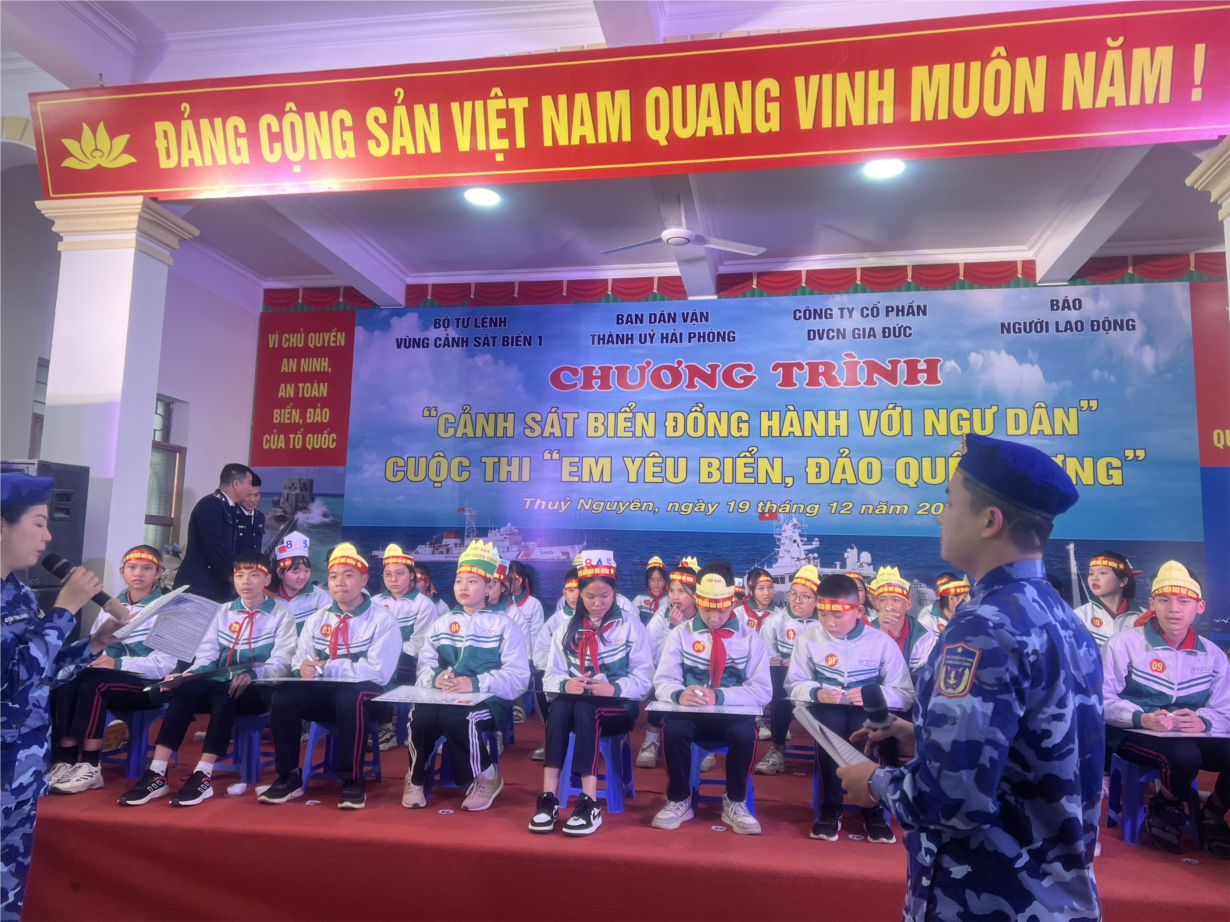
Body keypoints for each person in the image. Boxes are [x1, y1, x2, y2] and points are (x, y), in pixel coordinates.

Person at [838, 433, 1102, 922]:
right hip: (1055, 896)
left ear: (989, 521)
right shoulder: (1063, 618)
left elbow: (952, 798)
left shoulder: (983, 627)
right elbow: (1038, 746)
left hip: (989, 896)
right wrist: (920, 733)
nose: (940, 516)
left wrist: (873, 783)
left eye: (949, 502)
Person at [0, 472, 128, 922]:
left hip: (22, 766)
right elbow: (12, 679)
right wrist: (66, 608)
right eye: (38, 523)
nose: (48, 537)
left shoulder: (17, 591)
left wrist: (96, 643)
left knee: (8, 882)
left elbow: (43, 673)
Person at [118, 551, 296, 807]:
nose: (246, 581)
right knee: (185, 690)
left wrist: (251, 674)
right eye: (240, 575)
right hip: (220, 682)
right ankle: (157, 772)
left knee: (225, 695)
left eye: (254, 575)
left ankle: (203, 774)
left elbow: (283, 662)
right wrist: (188, 675)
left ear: (267, 579)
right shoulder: (222, 612)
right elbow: (207, 655)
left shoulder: (281, 615)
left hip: (259, 688)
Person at [1102, 561, 1230, 858]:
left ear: (1199, 606)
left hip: (1191, 735)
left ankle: (1214, 811)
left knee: (1195, 750)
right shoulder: (1123, 644)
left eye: (1184, 601)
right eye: (1164, 600)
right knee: (1185, 755)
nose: (1174, 608)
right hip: (1131, 731)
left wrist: (1203, 722)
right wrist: (1140, 718)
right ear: (1152, 604)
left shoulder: (1213, 655)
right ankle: (1166, 803)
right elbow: (1100, 700)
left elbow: (1224, 709)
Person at [259, 542, 400, 810]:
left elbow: (378, 672)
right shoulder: (318, 619)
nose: (339, 583)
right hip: (325, 694)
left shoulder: (382, 619)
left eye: (348, 575)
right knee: (284, 696)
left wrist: (328, 666)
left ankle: (352, 779)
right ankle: (288, 775)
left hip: (371, 696)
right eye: (333, 577)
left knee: (350, 698)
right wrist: (303, 668)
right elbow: (300, 656)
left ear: (364, 580)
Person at [530, 551, 653, 835]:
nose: (597, 603)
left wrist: (614, 688)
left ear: (615, 592)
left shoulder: (631, 626)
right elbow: (551, 675)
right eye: (590, 597)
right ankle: (548, 798)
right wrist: (565, 685)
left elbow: (645, 680)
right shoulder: (565, 627)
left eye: (604, 596)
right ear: (579, 595)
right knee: (560, 706)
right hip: (575, 706)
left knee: (587, 708)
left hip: (619, 707)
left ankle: (589, 801)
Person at [403, 540, 528, 812]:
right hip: (443, 697)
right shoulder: (442, 623)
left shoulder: (505, 625)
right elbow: (425, 664)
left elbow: (518, 677)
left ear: (489, 587)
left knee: (458, 717)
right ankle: (415, 777)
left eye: (472, 581)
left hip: (487, 701)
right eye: (459, 581)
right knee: (420, 716)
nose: (463, 587)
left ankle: (486, 775)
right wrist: (435, 678)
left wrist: (474, 683)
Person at [787, 573, 914, 842]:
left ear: (858, 611)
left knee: (866, 731)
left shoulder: (881, 642)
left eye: (838, 616)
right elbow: (793, 684)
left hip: (866, 711)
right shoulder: (808, 639)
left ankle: (872, 809)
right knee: (829, 729)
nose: (829, 623)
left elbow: (905, 694)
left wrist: (874, 695)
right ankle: (830, 808)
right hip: (825, 708)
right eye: (822, 614)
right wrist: (816, 692)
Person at [650, 564, 771, 835]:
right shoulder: (680, 634)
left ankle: (735, 801)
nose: (714, 618)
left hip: (732, 716)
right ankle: (679, 798)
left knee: (745, 732)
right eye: (707, 610)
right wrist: (678, 694)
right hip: (692, 715)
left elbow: (763, 690)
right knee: (673, 727)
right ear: (697, 601)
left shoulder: (750, 638)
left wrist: (720, 695)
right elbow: (663, 681)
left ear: (733, 603)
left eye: (721, 611)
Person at [48, 545, 176, 795]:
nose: (138, 573)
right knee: (69, 677)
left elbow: (165, 664)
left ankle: (91, 765)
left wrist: (118, 664)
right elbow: (97, 644)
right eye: (132, 567)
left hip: (150, 685)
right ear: (122, 571)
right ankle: (67, 759)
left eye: (147, 568)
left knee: (95, 684)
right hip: (107, 677)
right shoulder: (112, 605)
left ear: (159, 572)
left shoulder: (167, 609)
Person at [755, 564, 822, 776]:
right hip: (785, 681)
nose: (796, 600)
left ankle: (829, 754)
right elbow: (761, 652)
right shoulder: (775, 621)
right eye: (793, 594)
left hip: (817, 681)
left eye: (805, 596)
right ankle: (777, 749)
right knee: (780, 686)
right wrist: (771, 660)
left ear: (817, 600)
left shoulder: (824, 624)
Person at [371, 544, 439, 736]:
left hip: (410, 659)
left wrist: (389, 654)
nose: (393, 579)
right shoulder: (374, 602)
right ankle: (370, 722)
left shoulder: (423, 604)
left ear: (411, 575)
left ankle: (385, 726)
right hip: (378, 657)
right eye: (388, 574)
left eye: (399, 573)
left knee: (386, 670)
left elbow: (420, 644)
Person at [639, 557, 699, 768]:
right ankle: (650, 742)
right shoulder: (662, 615)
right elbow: (653, 653)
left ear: (695, 594)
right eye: (672, 590)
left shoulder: (704, 616)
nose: (674, 596)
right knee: (663, 684)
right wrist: (674, 628)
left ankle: (700, 744)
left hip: (697, 675)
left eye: (681, 591)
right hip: (670, 672)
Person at [174, 463, 253, 601]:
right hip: (199, 585)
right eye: (249, 483)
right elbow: (213, 545)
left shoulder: (229, 508)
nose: (251, 489)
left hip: (216, 585)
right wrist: (230, 576)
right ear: (236, 484)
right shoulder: (210, 505)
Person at [530, 567, 578, 760]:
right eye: (571, 590)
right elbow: (539, 655)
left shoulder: (594, 619)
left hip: (583, 677)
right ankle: (549, 734)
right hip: (560, 674)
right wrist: (557, 668)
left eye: (579, 590)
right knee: (539, 679)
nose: (575, 596)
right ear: (564, 592)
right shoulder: (554, 621)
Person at [871, 566, 937, 681]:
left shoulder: (925, 635)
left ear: (908, 604)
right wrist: (883, 630)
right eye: (883, 600)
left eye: (895, 600)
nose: (889, 606)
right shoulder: (865, 631)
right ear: (877, 604)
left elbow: (925, 675)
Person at [1074, 550, 1145, 648]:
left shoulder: (1144, 618)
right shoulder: (1079, 616)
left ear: (1123, 581)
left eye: (1102, 573)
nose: (1094, 578)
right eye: (1091, 573)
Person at [271, 531, 331, 633]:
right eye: (295, 571)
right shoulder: (267, 599)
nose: (302, 576)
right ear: (280, 573)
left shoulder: (320, 597)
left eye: (306, 570)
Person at [235, 471, 265, 556]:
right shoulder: (231, 514)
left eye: (256, 495)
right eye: (248, 495)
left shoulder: (260, 517)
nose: (252, 500)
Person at [632, 556, 669, 626]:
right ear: (647, 580)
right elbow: (633, 621)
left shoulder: (670, 598)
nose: (656, 583)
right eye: (652, 580)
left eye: (660, 580)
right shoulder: (640, 599)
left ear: (665, 580)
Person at [740, 567, 777, 632]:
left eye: (770, 587)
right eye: (761, 588)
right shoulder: (738, 614)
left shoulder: (780, 616)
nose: (767, 592)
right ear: (750, 590)